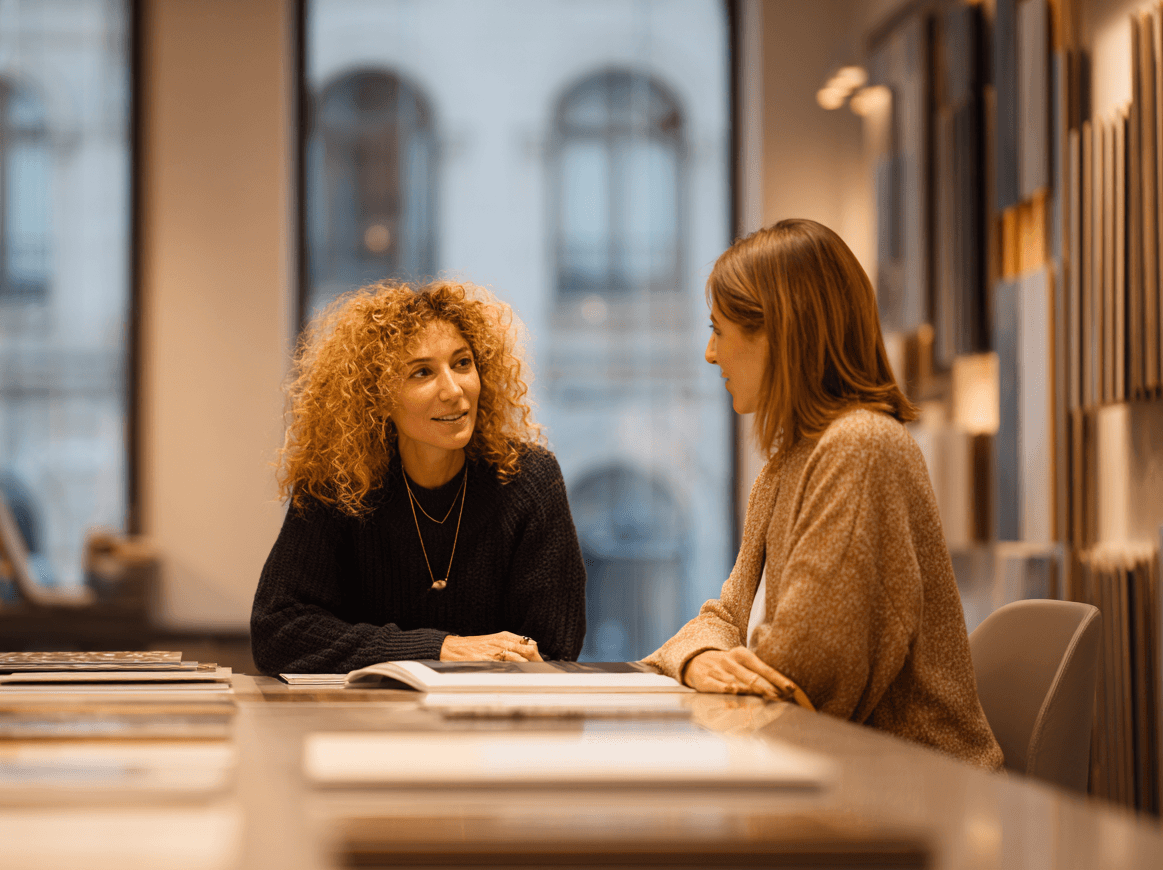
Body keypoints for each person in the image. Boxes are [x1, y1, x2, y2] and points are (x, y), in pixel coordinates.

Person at [644, 219, 1002, 770]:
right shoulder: (786, 465)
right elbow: (719, 617)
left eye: (719, 329)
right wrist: (698, 658)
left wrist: (708, 658)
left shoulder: (861, 449)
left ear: (778, 334)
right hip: (836, 778)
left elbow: (796, 682)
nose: (711, 354)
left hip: (915, 800)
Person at [251, 280, 587, 676]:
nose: (452, 390)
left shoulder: (529, 479)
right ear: (376, 395)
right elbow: (277, 631)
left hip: (493, 725)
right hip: (365, 725)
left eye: (463, 363)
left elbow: (554, 648)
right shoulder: (338, 484)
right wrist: (439, 648)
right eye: (422, 372)